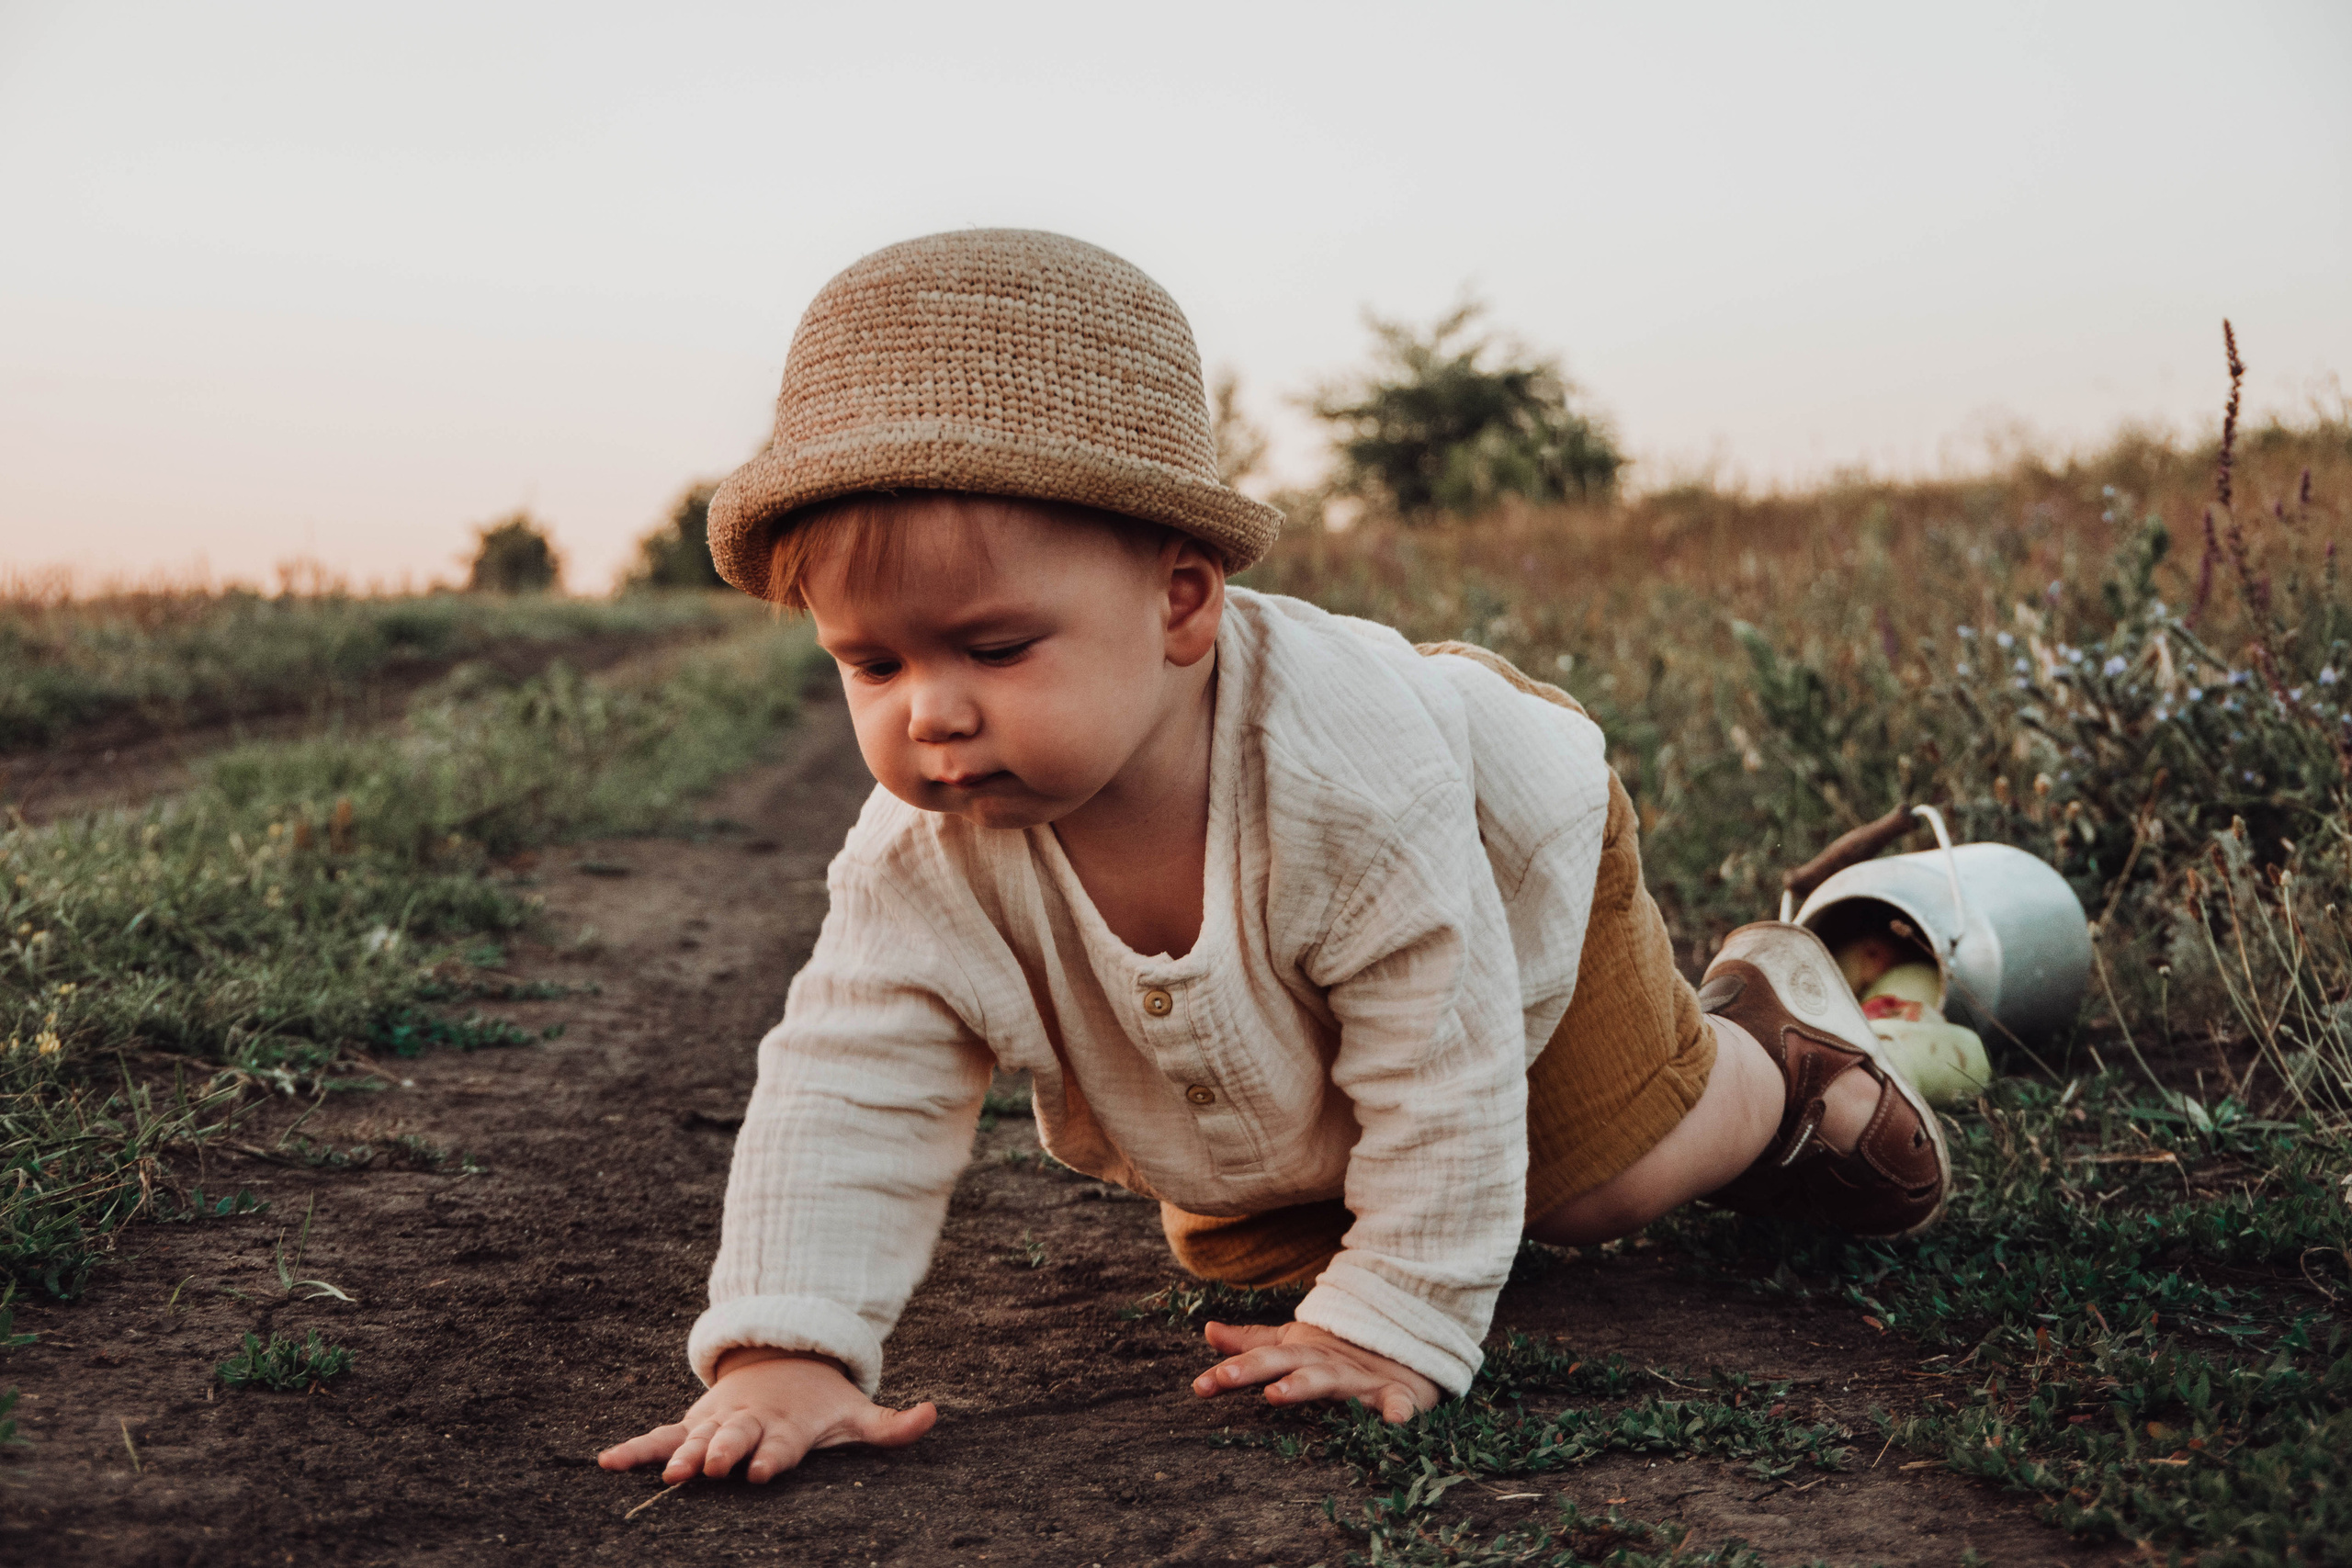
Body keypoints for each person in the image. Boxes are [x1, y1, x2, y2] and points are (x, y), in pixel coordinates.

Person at [598, 230, 1948, 1487]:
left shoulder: (1350, 773)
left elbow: (1441, 1042)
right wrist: (791, 1348)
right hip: (1281, 1042)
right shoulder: (920, 860)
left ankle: (1767, 1062)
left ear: (1180, 600)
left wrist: (1399, 1318)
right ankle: (1448, 1215)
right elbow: (852, 1085)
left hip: (1505, 889)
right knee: (1275, 1254)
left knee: (1590, 1184)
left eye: (995, 649)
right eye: (871, 663)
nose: (930, 712)